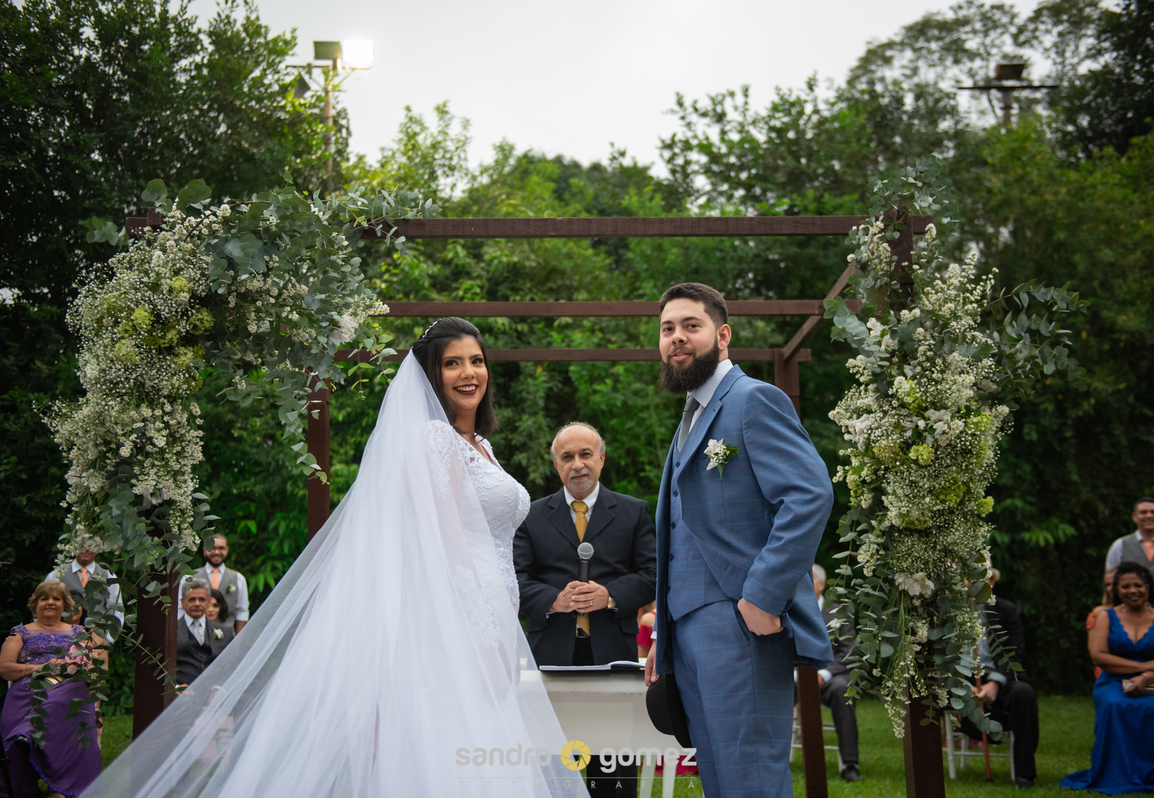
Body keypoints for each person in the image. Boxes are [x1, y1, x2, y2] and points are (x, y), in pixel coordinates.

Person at [83, 318, 583, 798]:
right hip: (461, 623)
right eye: (453, 363)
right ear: (432, 373)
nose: (469, 372)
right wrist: (485, 638)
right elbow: (450, 546)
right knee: (461, 746)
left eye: (476, 360)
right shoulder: (436, 441)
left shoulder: (480, 445)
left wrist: (502, 629)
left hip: (495, 613)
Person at [643, 283, 834, 798]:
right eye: (667, 328)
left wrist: (763, 597)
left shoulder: (754, 400)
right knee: (720, 783)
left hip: (740, 626)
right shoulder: (691, 415)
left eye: (691, 326)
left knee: (752, 780)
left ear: (723, 335)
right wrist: (663, 634)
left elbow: (809, 495)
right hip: (687, 632)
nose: (677, 337)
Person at [515, 421, 657, 796]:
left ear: (601, 459)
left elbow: (653, 574)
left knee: (612, 773)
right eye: (567, 457)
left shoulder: (633, 512)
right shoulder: (530, 516)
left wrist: (610, 595)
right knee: (550, 768)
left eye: (585, 454)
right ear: (556, 465)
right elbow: (515, 580)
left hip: (612, 656)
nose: (577, 464)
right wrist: (553, 599)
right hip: (550, 656)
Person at [1061, 562, 1154, 793]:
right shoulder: (1106, 617)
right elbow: (1099, 656)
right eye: (1125, 586)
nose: (1132, 590)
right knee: (1115, 704)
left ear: (1148, 587)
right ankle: (1116, 772)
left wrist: (1145, 677)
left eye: (1138, 585)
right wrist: (1141, 666)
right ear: (1116, 590)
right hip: (1113, 680)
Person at [0, 581, 105, 798]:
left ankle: (30, 736)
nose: (50, 602)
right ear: (35, 605)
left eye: (56, 599)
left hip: (70, 687)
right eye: (44, 598)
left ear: (65, 606)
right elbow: (3, 668)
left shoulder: (81, 634)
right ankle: (27, 737)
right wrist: (39, 668)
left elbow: (95, 672)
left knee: (71, 690)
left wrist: (74, 667)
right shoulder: (20, 633)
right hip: (28, 687)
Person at [960, 574, 1038, 789]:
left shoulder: (1005, 610)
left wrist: (994, 684)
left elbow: (1014, 653)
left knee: (1023, 693)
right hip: (959, 679)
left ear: (991, 583)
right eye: (969, 577)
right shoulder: (947, 611)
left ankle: (1024, 774)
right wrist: (960, 685)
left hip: (996, 675)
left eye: (983, 578)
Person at [811, 564, 860, 782]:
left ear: (821, 584)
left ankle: (850, 764)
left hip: (830, 676)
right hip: (793, 677)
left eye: (809, 579)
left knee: (843, 690)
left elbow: (848, 652)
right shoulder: (788, 609)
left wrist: (824, 674)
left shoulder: (839, 612)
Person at [1105, 498, 1154, 612]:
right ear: (1134, 517)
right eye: (1143, 512)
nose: (1149, 516)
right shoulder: (1120, 546)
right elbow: (1110, 582)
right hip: (1129, 616)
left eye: (1153, 512)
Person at [46, 545, 124, 643]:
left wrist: (107, 641)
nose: (87, 549)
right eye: (82, 544)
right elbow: (43, 608)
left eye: (91, 545)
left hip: (98, 642)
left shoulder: (108, 576)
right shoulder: (57, 575)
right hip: (61, 641)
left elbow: (117, 611)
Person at [179, 534, 249, 633]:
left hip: (227, 636)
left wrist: (239, 640)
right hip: (195, 634)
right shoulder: (189, 577)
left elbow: (242, 612)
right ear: (204, 550)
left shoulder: (238, 578)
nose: (216, 552)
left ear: (227, 550)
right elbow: (180, 609)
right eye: (212, 548)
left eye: (221, 548)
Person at [176, 581, 234, 687]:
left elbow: (232, 666)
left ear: (208, 601)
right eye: (192, 599)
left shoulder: (226, 633)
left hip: (215, 695)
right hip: (181, 694)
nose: (197, 604)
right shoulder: (171, 632)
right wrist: (175, 687)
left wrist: (220, 690)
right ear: (182, 602)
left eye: (202, 599)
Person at [1088, 570, 1116, 679]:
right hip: (1108, 672)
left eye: (1114, 583)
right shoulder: (1099, 613)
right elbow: (1094, 654)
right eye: (1107, 585)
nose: (1111, 588)